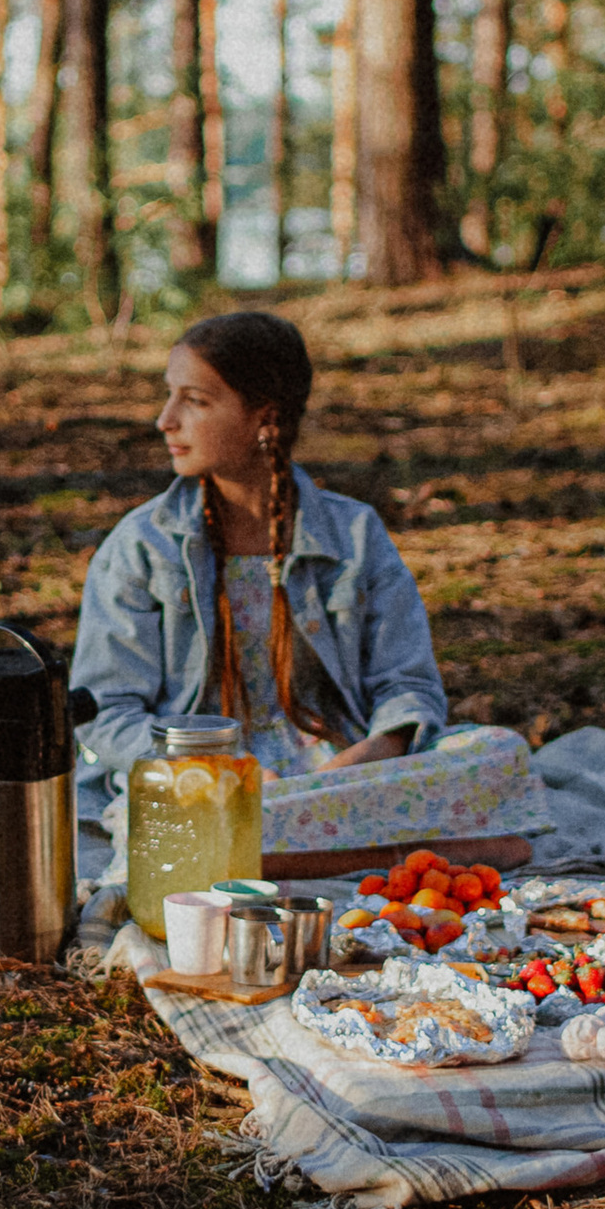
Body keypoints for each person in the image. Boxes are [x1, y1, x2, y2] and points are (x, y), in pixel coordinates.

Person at [71, 309, 526, 862]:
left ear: (264, 418)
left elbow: (408, 686)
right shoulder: (143, 545)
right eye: (170, 396)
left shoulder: (354, 534)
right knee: (166, 818)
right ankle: (387, 853)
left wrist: (372, 755)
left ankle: (270, 855)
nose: (165, 420)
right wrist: (208, 774)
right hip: (200, 784)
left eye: (195, 400)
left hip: (343, 776)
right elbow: (106, 712)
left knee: (499, 752)